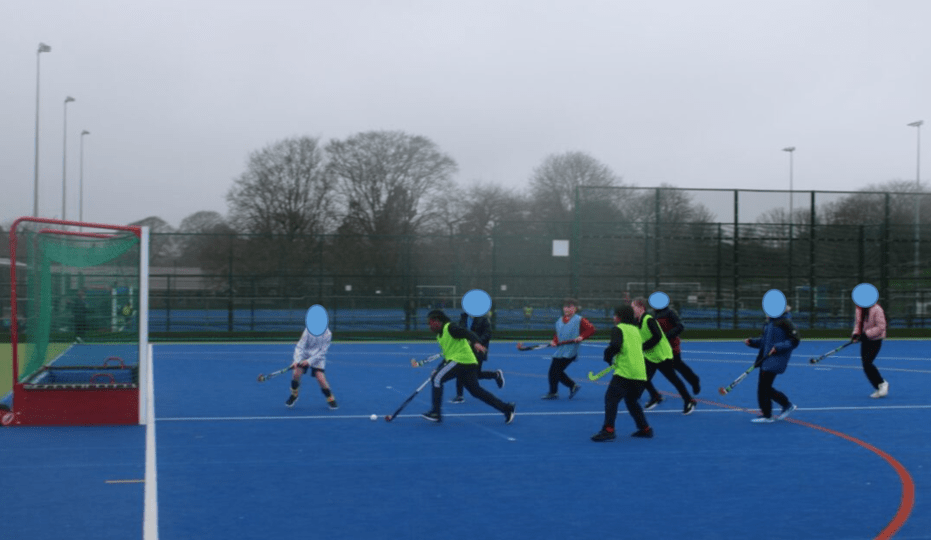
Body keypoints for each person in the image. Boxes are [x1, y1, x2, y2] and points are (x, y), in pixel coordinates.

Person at [421, 310, 515, 424]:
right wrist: (438, 368)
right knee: (476, 391)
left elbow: (467, 333)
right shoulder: (440, 336)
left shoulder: (450, 328)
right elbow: (447, 356)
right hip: (467, 362)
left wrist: (476, 343)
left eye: (430, 322)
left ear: (438, 321)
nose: (429, 326)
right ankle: (506, 408)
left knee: (437, 379)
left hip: (461, 361)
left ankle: (436, 413)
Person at [591, 305, 653, 441]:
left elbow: (616, 345)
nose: (613, 317)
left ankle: (608, 430)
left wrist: (607, 355)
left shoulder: (618, 329)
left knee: (611, 399)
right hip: (640, 373)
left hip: (626, 372)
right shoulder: (636, 330)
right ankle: (645, 429)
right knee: (631, 401)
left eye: (615, 315)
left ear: (619, 317)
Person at [631, 298, 696, 415]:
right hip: (651, 356)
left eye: (633, 307)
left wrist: (643, 347)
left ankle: (689, 401)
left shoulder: (649, 320)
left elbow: (657, 337)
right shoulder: (637, 321)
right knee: (642, 377)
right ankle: (655, 396)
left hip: (662, 355)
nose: (632, 310)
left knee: (673, 379)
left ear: (641, 308)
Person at [744, 306, 800, 423]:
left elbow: (795, 340)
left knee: (764, 387)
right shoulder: (770, 323)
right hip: (766, 358)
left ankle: (769, 414)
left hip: (776, 358)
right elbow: (764, 342)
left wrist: (778, 347)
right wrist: (752, 342)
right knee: (764, 387)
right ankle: (783, 406)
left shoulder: (785, 322)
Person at [541, 298, 595, 400]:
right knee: (555, 371)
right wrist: (554, 341)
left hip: (571, 351)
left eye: (570, 307)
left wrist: (581, 337)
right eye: (565, 307)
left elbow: (591, 329)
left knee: (554, 371)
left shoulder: (579, 320)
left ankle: (555, 392)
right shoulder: (559, 321)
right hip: (561, 350)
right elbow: (558, 334)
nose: (567, 309)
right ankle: (570, 387)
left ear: (575, 309)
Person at [450, 310, 504, 404]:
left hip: (478, 351)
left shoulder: (483, 319)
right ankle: (459, 396)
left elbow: (487, 334)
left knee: (477, 375)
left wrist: (476, 342)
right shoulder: (464, 317)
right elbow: (460, 331)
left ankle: (496, 375)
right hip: (465, 350)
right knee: (460, 371)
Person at [652, 301, 701, 395]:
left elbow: (680, 326)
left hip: (672, 345)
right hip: (660, 347)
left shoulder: (670, 313)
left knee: (678, 365)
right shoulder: (654, 315)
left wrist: (666, 336)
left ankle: (694, 380)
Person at [286, 326, 338, 410]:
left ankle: (330, 397)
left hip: (318, 357)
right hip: (305, 355)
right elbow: (300, 346)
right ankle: (294, 394)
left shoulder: (328, 333)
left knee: (320, 378)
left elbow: (322, 352)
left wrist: (309, 361)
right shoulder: (308, 329)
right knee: (296, 374)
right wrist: (296, 360)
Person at [852, 300, 888, 398]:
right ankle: (878, 387)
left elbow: (881, 327)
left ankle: (882, 383)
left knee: (867, 362)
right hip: (865, 340)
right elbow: (858, 324)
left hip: (876, 340)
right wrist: (856, 334)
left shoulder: (877, 309)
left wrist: (866, 334)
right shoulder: (859, 309)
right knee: (865, 365)